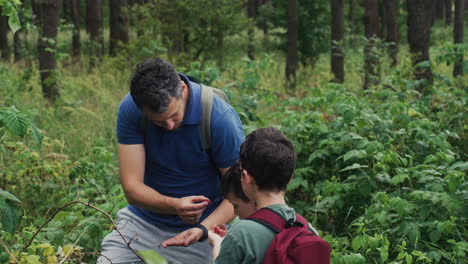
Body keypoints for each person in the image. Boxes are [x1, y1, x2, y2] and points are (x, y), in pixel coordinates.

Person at [98, 58, 244, 264]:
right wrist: (175, 205)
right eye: (157, 121)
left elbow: (239, 196)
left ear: (182, 89)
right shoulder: (131, 109)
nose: (168, 126)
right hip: (141, 222)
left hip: (204, 229)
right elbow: (132, 188)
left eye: (174, 116)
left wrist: (201, 230)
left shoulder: (219, 118)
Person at [209, 127, 329, 264]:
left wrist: (218, 244)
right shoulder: (308, 230)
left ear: (246, 177)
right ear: (290, 178)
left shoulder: (241, 234)